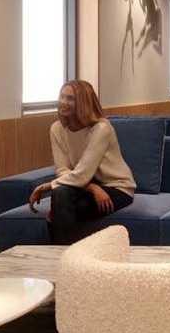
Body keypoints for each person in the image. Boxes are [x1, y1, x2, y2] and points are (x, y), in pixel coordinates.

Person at [28, 80, 137, 245]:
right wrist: (92, 187)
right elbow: (63, 171)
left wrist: (45, 187)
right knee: (60, 195)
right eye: (62, 96)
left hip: (116, 187)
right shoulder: (57, 128)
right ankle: (67, 255)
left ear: (83, 102)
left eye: (70, 98)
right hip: (85, 186)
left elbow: (82, 174)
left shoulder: (101, 128)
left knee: (59, 211)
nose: (63, 102)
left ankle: (67, 255)